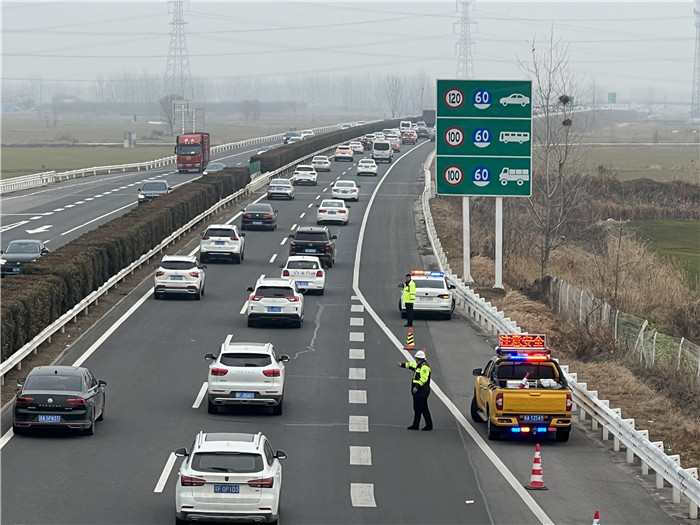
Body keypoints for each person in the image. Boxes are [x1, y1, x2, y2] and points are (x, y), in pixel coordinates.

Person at [398, 349, 433, 431]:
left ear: (420, 359)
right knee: (417, 408)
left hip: (422, 392)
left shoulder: (424, 368)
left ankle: (429, 425)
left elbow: (423, 379)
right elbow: (411, 365)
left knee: (424, 409)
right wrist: (402, 365)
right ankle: (415, 425)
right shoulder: (418, 365)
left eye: (417, 358)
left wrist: (417, 387)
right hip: (417, 392)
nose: (416, 360)